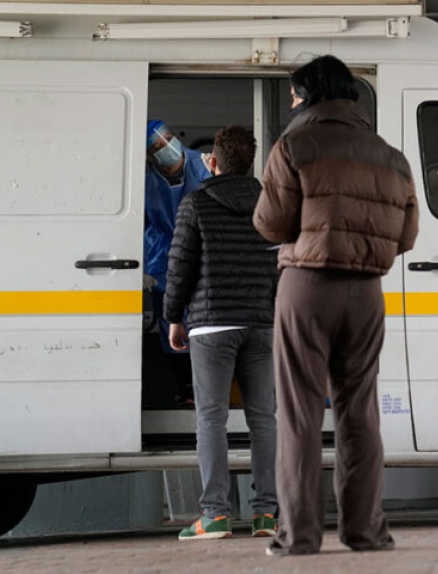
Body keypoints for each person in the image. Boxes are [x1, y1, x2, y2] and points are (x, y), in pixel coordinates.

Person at [253, 55, 419, 556]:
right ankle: (366, 532)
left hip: (307, 286)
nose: (293, 104)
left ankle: (299, 536)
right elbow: (407, 235)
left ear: (309, 95)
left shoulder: (294, 145)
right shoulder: (390, 156)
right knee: (360, 410)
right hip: (367, 292)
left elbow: (270, 223)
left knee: (300, 412)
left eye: (295, 96)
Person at [163, 125, 280, 540]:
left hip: (211, 325)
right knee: (263, 418)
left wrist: (173, 317)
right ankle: (267, 514)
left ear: (212, 161)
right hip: (261, 324)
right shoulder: (270, 204)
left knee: (211, 418)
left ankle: (214, 515)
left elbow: (180, 267)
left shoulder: (196, 203)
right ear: (251, 162)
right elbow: (281, 265)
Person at [145, 119, 211, 405]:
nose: (168, 146)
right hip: (165, 265)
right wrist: (147, 267)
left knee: (204, 329)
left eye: (169, 137)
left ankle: (206, 388)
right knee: (171, 330)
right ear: (149, 155)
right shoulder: (145, 180)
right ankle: (187, 388)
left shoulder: (204, 166)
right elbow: (143, 225)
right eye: (158, 145)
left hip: (204, 262)